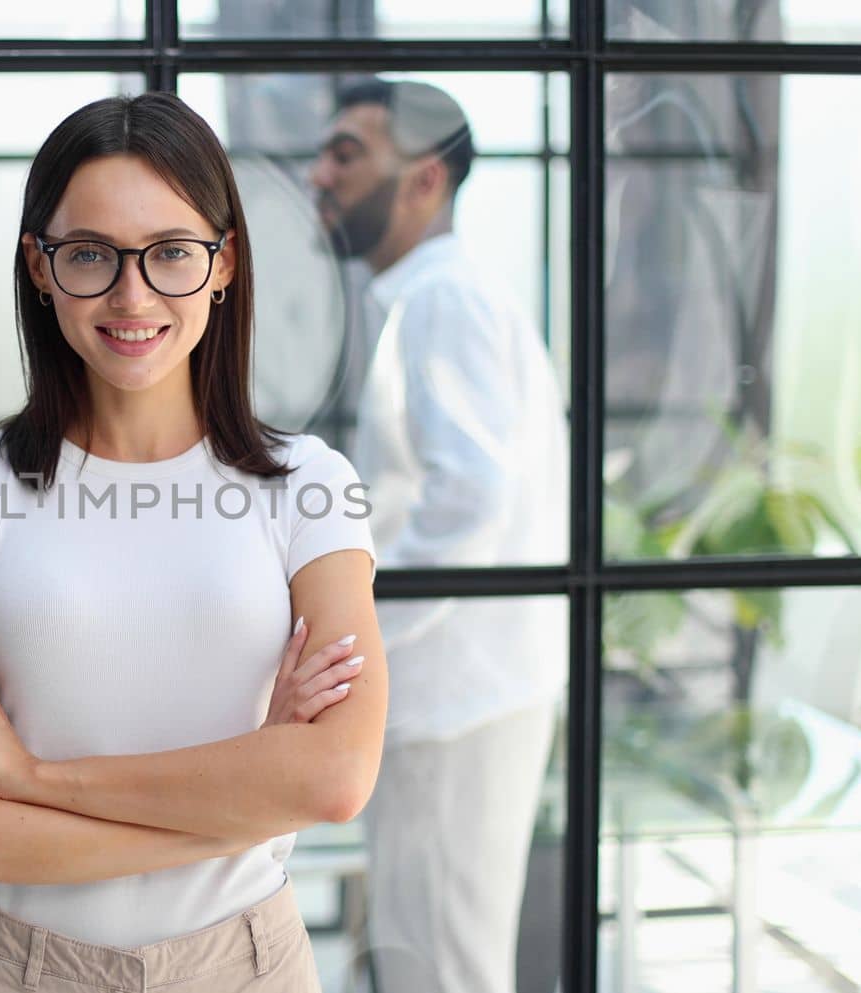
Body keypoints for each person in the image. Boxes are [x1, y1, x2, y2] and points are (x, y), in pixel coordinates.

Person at [0, 92, 388, 993]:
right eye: (91, 255)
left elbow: (335, 777)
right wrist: (246, 795)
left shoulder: (308, 483)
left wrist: (26, 775)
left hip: (247, 966)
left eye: (172, 253)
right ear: (39, 266)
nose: (131, 294)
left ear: (224, 264)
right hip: (20, 967)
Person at [311, 78, 569, 993]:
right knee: (430, 955)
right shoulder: (430, 299)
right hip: (454, 691)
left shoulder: (444, 303)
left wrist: (359, 639)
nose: (319, 174)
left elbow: (471, 501)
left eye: (347, 153)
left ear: (424, 180)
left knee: (443, 967)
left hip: (457, 697)